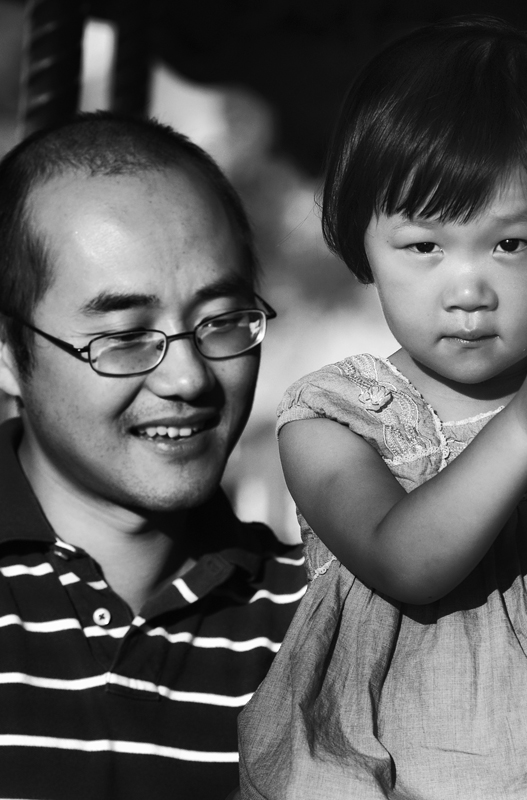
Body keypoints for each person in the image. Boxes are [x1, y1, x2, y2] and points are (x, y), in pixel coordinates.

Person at [237, 17, 527, 800]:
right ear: (361, 239)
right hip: (393, 774)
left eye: (511, 245)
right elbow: (406, 562)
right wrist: (526, 422)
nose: (467, 292)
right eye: (424, 246)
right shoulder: (333, 418)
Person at [0, 112, 305, 800]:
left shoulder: (317, 625)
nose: (188, 378)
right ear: (7, 354)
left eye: (221, 321)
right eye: (126, 335)